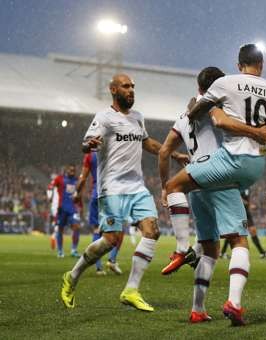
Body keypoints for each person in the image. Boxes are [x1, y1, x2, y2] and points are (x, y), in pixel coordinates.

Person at [161, 44, 266, 325]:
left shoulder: (222, 87)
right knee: (216, 247)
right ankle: (213, 306)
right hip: (250, 165)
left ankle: (183, 249)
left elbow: (203, 117)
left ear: (239, 64)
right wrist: (260, 130)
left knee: (172, 187)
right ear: (261, 64)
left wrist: (198, 108)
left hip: (219, 167)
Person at [61, 73, 163, 312]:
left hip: (137, 187)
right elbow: (85, 143)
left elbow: (147, 143)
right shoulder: (104, 117)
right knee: (111, 240)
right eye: (126, 86)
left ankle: (131, 290)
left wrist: (172, 154)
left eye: (133, 87)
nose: (131, 90)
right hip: (112, 187)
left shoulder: (138, 117)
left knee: (152, 231)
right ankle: (72, 276)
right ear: (114, 90)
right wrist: (90, 145)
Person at [75, 151, 123, 275]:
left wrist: (77, 193)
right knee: (118, 229)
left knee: (97, 231)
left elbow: (83, 178)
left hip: (96, 195)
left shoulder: (90, 156)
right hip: (110, 195)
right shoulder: (114, 151)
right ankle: (112, 260)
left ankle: (99, 268)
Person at [219, 188, 266, 260]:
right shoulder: (238, 187)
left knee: (252, 231)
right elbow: (236, 198)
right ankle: (222, 253)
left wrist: (249, 205)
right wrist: (244, 202)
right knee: (233, 233)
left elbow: (247, 199)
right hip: (238, 214)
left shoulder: (248, 188)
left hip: (246, 214)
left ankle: (262, 253)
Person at [48, 164, 81, 258]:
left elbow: (79, 195)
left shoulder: (76, 181)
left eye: (73, 170)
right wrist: (49, 196)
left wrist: (80, 205)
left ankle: (74, 250)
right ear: (66, 170)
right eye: (70, 170)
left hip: (72, 209)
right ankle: (60, 251)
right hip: (61, 209)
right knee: (60, 229)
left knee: (76, 227)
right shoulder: (60, 179)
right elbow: (51, 186)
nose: (72, 172)